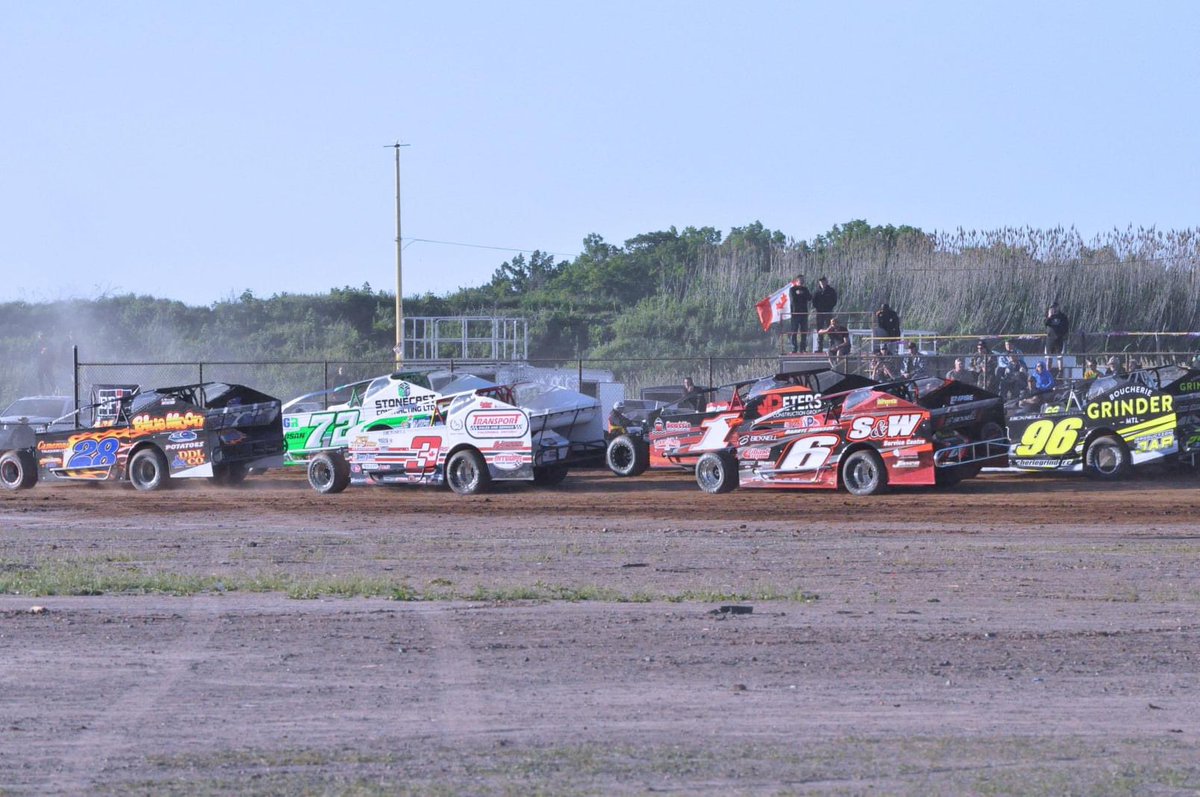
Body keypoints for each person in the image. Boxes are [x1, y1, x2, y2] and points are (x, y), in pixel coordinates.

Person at [786, 276, 812, 353]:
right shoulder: (792, 289)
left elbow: (809, 298)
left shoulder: (805, 289)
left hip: (804, 313)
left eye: (803, 280)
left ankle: (803, 348)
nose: (802, 282)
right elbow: (793, 300)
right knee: (794, 331)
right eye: (800, 280)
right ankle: (794, 348)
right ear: (797, 281)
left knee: (804, 331)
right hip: (795, 313)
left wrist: (802, 294)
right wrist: (799, 295)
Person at [812, 277, 838, 352]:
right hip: (819, 313)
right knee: (820, 330)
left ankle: (832, 347)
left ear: (826, 282)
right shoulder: (817, 291)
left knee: (830, 328)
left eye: (823, 282)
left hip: (828, 312)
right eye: (821, 282)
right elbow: (814, 301)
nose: (822, 283)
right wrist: (818, 308)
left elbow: (834, 300)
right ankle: (819, 348)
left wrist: (829, 307)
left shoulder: (831, 291)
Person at [1044, 302, 1070, 370]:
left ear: (1058, 307)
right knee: (1049, 357)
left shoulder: (1063, 316)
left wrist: (1062, 335)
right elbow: (1045, 323)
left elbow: (1066, 327)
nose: (1054, 309)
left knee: (1059, 357)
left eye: (1055, 307)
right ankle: (1048, 372)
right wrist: (1049, 316)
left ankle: (1060, 372)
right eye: (1052, 307)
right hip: (1050, 339)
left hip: (1059, 339)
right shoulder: (1048, 316)